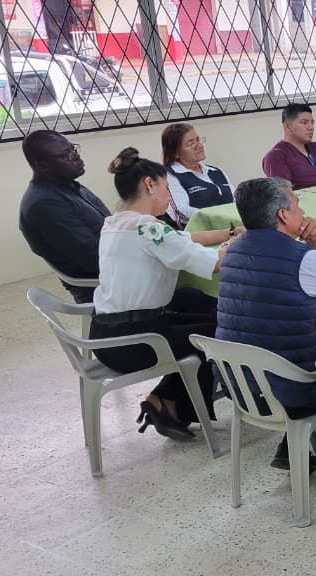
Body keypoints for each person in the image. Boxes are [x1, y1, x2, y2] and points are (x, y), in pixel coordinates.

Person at [216, 177, 316, 484]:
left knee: (279, 338)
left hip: (240, 385)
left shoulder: (231, 251)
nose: (302, 211)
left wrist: (312, 251)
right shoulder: (307, 260)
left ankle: (290, 446)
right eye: (296, 205)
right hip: (293, 389)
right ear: (282, 214)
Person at [90, 148, 234, 441]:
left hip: (105, 334)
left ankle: (165, 400)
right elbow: (214, 263)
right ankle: (170, 403)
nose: (169, 196)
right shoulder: (148, 229)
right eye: (166, 188)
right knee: (219, 332)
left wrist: (229, 233)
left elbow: (183, 238)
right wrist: (235, 245)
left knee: (204, 311)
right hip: (135, 342)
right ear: (149, 185)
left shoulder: (115, 222)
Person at [18, 130, 111, 304]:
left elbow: (108, 225)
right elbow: (93, 260)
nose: (75, 156)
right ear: (42, 165)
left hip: (114, 266)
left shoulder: (67, 186)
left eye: (73, 149)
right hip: (104, 287)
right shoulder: (44, 205)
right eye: (65, 154)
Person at [161, 123, 234, 229]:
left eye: (198, 140)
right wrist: (217, 219)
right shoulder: (169, 175)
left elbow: (235, 200)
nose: (199, 146)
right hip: (201, 232)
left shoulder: (217, 171)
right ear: (175, 152)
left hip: (232, 227)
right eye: (191, 143)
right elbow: (181, 210)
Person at [262, 103, 316, 190]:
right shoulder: (276, 156)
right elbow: (285, 194)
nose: (311, 127)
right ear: (287, 126)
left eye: (312, 123)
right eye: (304, 122)